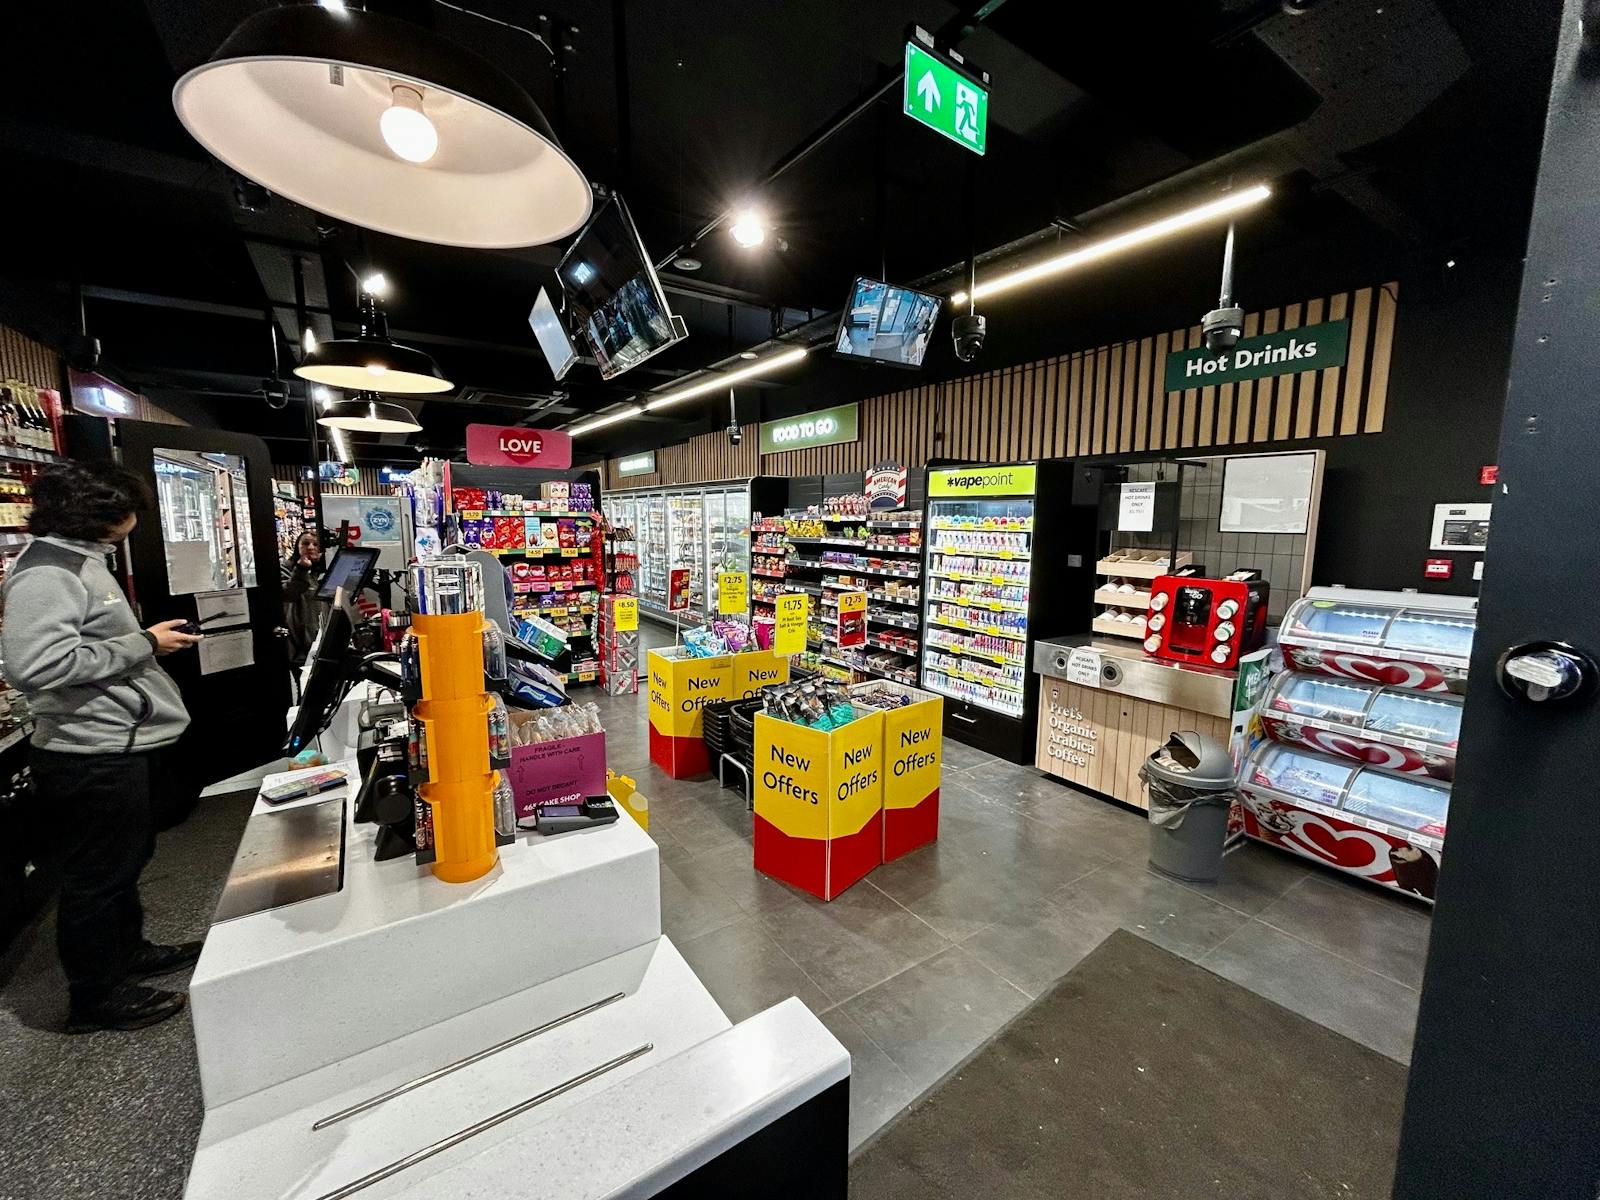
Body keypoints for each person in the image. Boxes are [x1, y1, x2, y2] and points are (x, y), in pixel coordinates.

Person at [1, 460, 201, 1033]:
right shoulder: (48, 572)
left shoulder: (81, 561)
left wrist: (142, 645)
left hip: (112, 742)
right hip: (89, 751)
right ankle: (95, 996)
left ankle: (125, 953)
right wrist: (144, 644)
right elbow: (34, 666)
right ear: (99, 514)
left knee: (124, 861)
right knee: (98, 875)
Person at [281, 529, 325, 664]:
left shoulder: (323, 571)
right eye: (305, 543)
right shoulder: (287, 568)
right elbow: (289, 593)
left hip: (320, 643)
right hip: (299, 648)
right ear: (297, 546)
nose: (310, 547)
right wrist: (301, 570)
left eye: (315, 544)